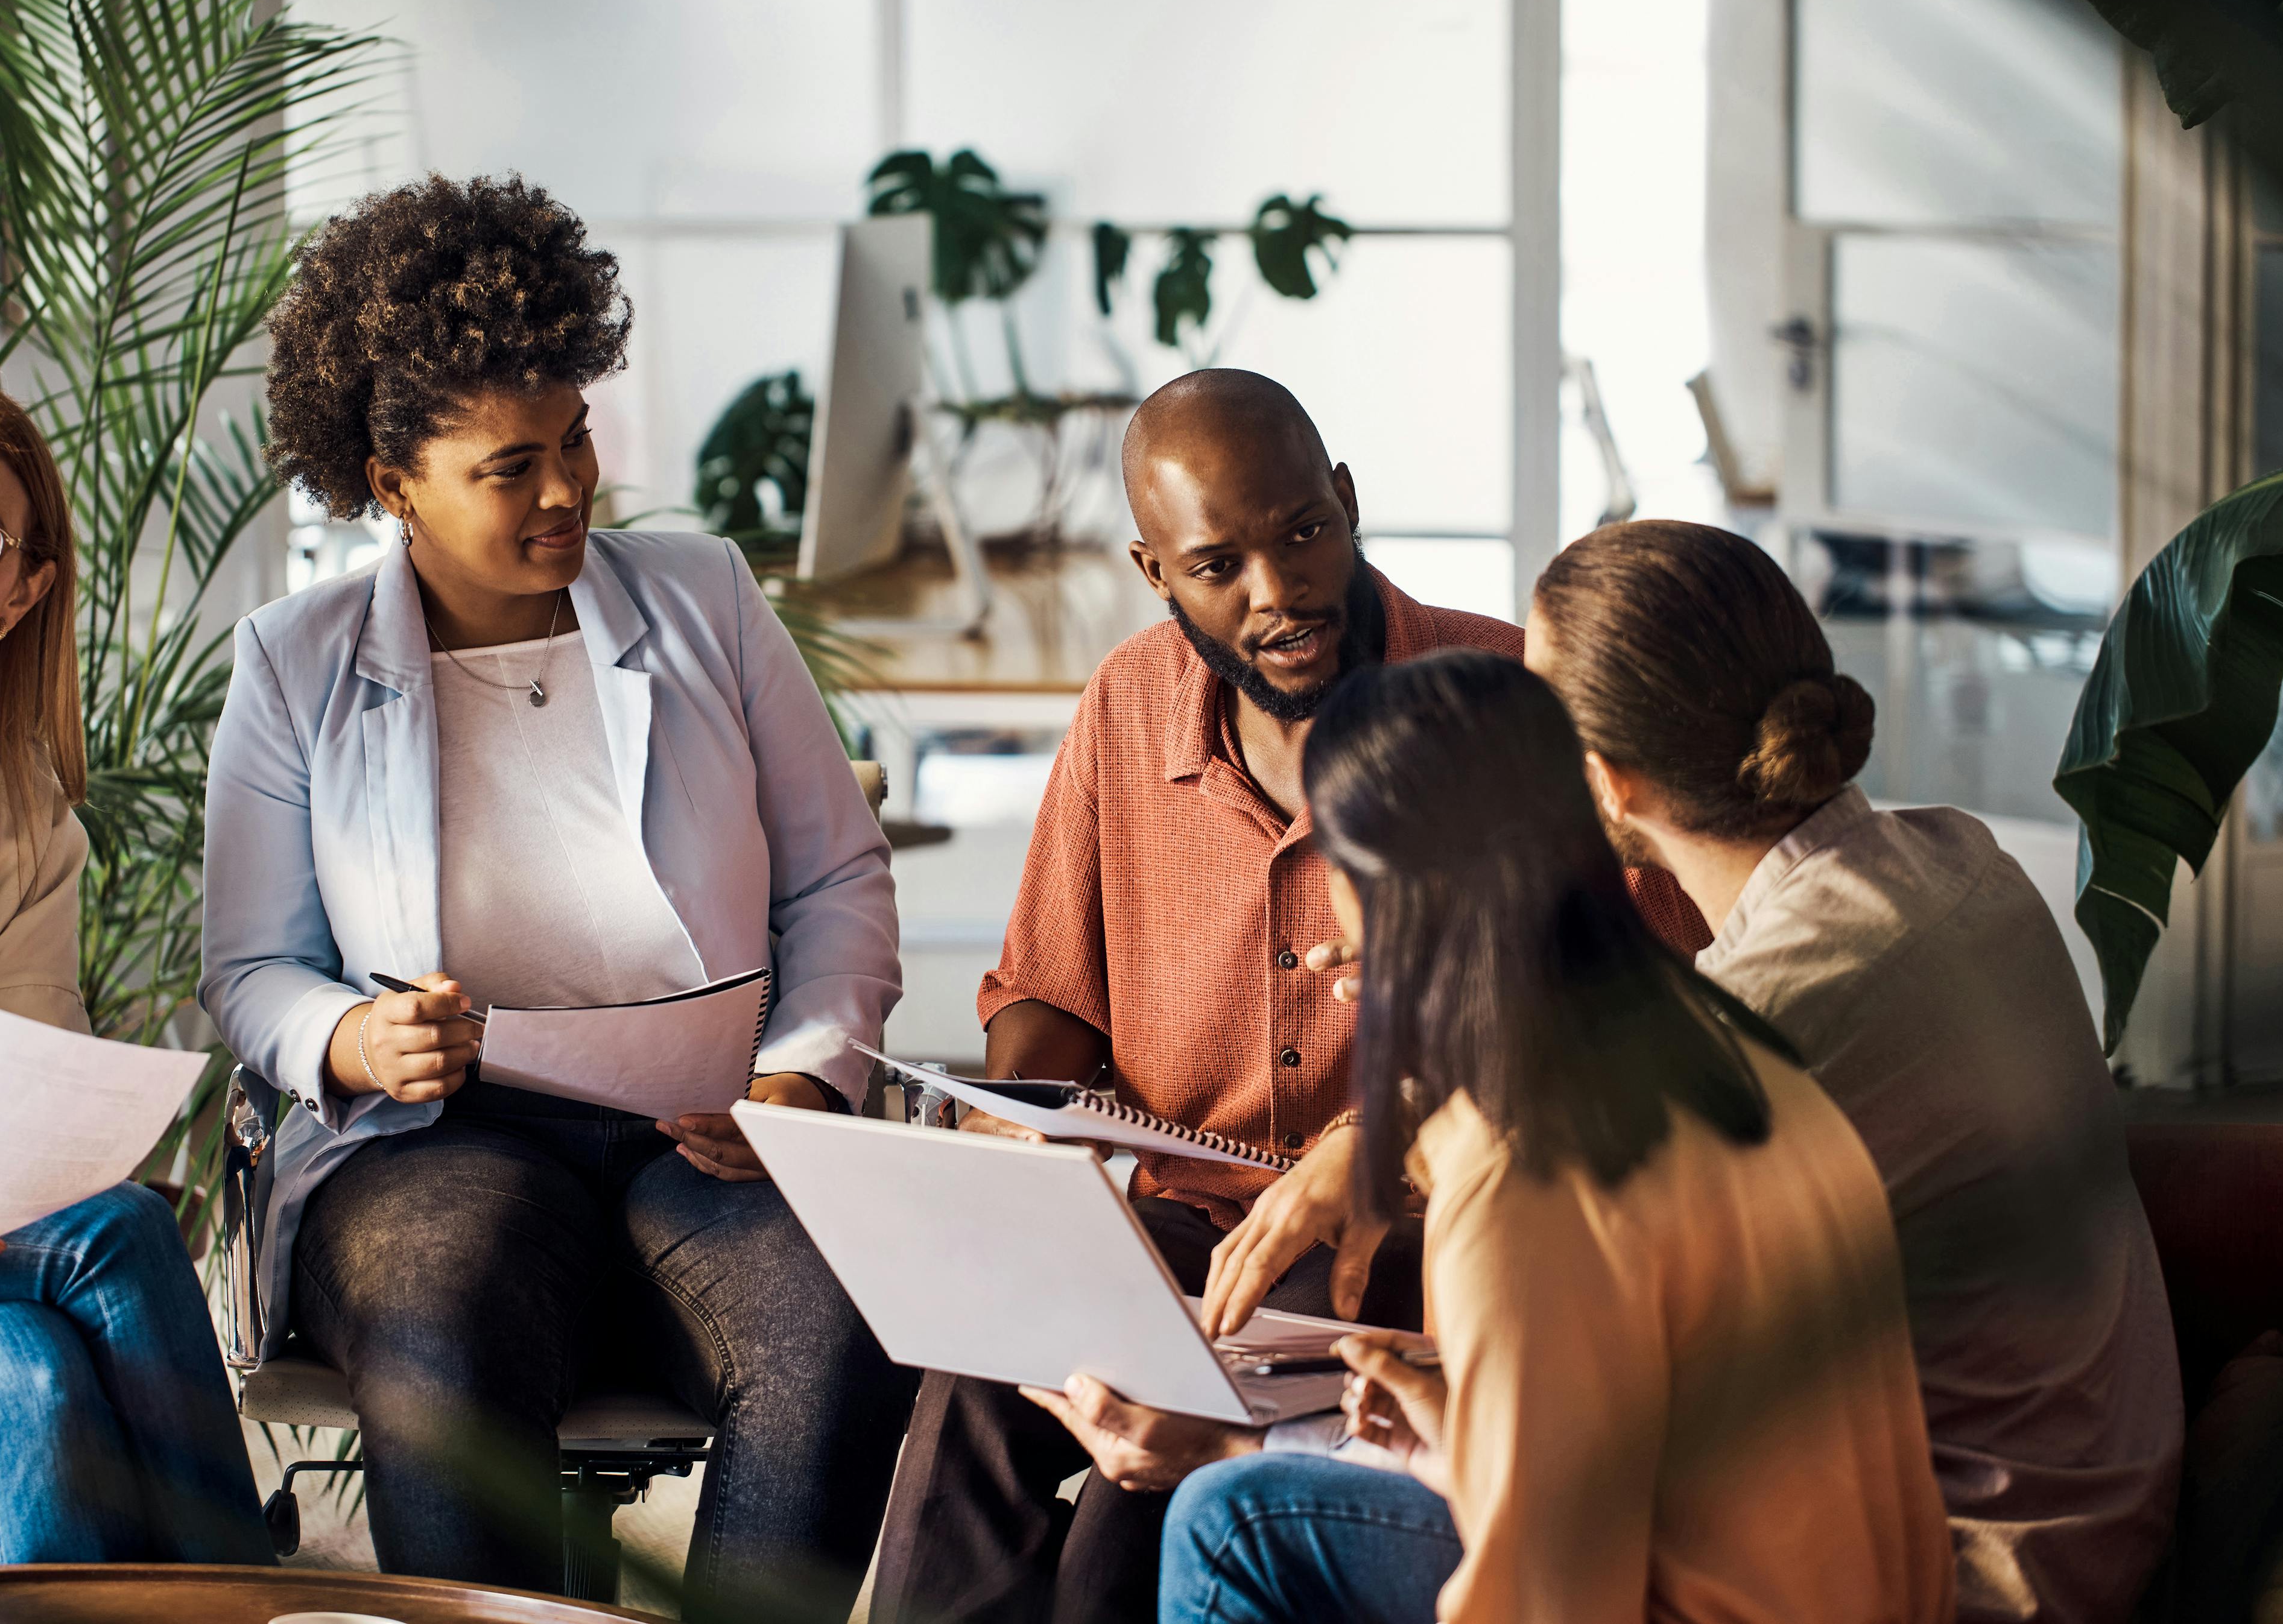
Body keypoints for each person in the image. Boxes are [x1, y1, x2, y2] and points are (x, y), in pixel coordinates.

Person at [870, 369, 1708, 1624]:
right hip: (1168, 1214)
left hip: (1410, 1241)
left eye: (1305, 533)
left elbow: (1656, 1021)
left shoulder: (1507, 697)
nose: (1278, 593)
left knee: (1128, 1500)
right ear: (1157, 573)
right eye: (1219, 565)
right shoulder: (1123, 704)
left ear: (1348, 501)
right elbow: (1049, 998)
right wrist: (1017, 1133)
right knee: (976, 1389)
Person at [198, 175, 911, 1617]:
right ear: (392, 481)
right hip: (433, 1138)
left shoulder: (703, 600)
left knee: (840, 1321)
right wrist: (352, 1040)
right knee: (437, 1303)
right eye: (509, 468)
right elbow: (253, 966)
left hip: (707, 1137)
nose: (570, 489)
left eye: (575, 439)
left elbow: (839, 876)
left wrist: (802, 1082)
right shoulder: (294, 662)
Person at [1162, 649, 1955, 1623]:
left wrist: (1218, 1450)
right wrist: (1456, 1441)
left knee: (1227, 1515)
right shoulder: (1722, 1041)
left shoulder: (1520, 1176)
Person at [1519, 520, 2181, 1622]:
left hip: (1961, 1577)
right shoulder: (1960, 855)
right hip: (2099, 1513)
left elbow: (1572, 1372)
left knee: (1250, 1512)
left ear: (1605, 782)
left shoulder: (1760, 1019)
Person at [0, 387, 271, 1565]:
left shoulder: (25, 812)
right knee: (116, 1242)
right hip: (43, 1241)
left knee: (45, 1388)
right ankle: (244, 1586)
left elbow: (27, 1069)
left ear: (22, 591)